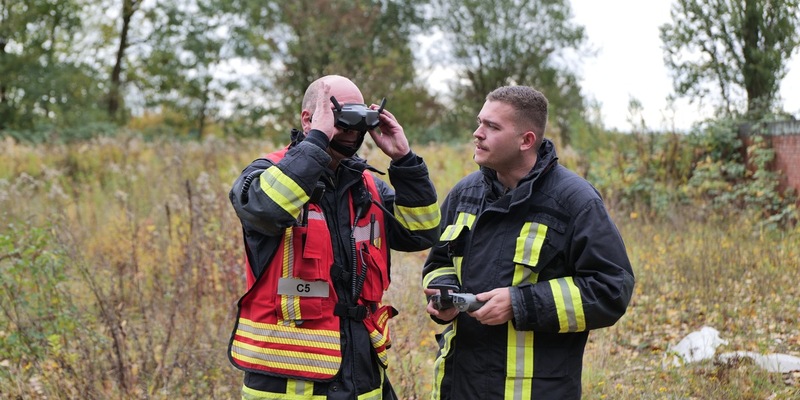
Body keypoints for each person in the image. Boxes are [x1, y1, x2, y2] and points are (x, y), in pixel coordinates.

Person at [228, 75, 441, 399]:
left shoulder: (367, 187)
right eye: (339, 116)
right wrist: (317, 141)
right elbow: (264, 210)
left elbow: (421, 232)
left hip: (360, 374)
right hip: (288, 382)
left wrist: (404, 160)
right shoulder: (265, 174)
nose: (350, 129)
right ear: (308, 118)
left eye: (356, 118)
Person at [421, 85, 635, 400]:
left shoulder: (574, 201)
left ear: (526, 140)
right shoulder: (464, 194)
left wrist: (520, 304)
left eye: (492, 126)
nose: (477, 133)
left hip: (537, 389)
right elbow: (438, 263)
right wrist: (445, 296)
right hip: (460, 384)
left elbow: (611, 289)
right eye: (480, 122)